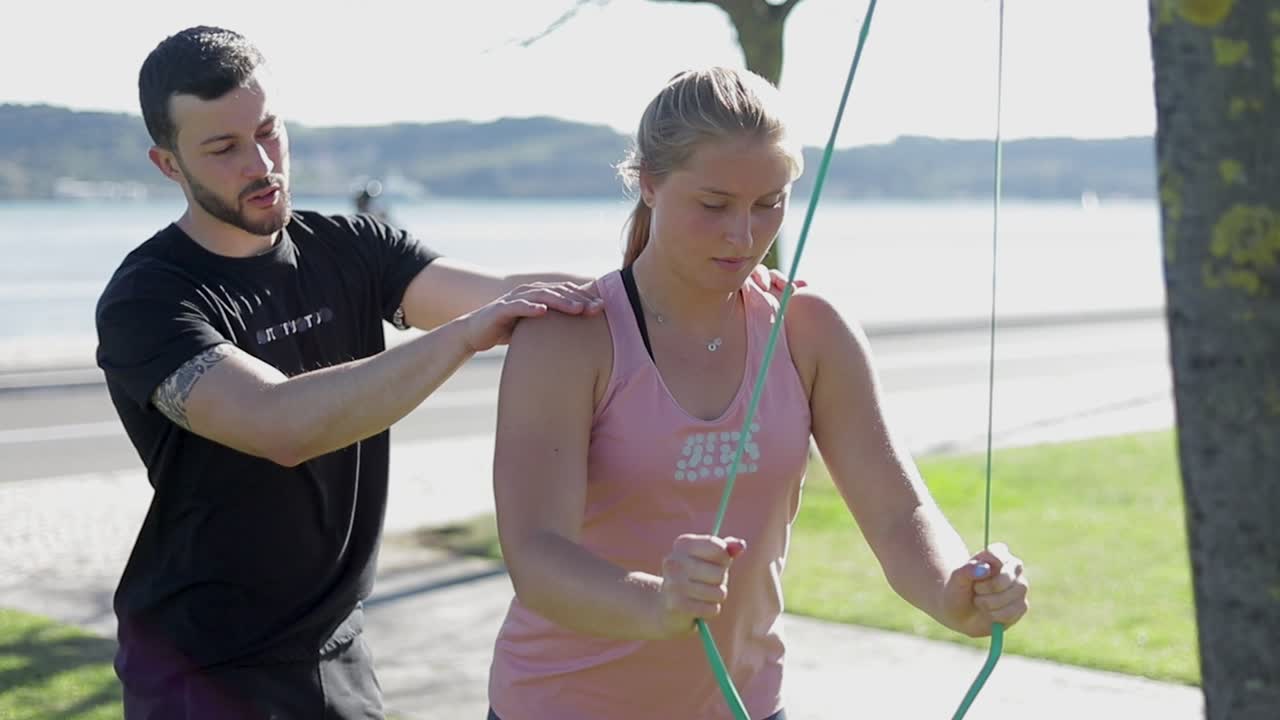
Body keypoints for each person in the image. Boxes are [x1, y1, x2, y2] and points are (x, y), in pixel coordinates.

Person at [93, 25, 613, 720]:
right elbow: (278, 423)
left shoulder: (348, 247)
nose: (261, 162)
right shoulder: (148, 299)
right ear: (168, 165)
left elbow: (503, 292)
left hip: (338, 647)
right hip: (202, 669)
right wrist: (462, 339)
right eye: (223, 148)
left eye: (270, 132)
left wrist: (679, 291)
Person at [487, 67, 1031, 719]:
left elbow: (895, 513)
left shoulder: (811, 330)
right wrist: (656, 602)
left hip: (749, 705)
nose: (744, 236)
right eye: (714, 205)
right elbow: (536, 555)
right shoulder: (568, 338)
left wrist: (956, 592)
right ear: (650, 183)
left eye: (769, 203)